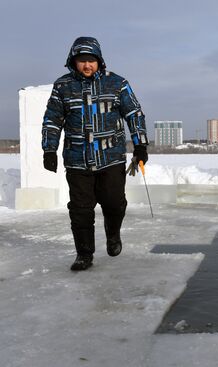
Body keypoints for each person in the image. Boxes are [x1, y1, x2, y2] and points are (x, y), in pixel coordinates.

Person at [42, 37, 149, 271]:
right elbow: (52, 120)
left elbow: (134, 114)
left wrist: (140, 145)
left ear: (99, 61)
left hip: (110, 158)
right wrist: (49, 149)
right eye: (82, 61)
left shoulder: (117, 84)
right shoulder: (63, 86)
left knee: (114, 203)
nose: (87, 65)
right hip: (77, 160)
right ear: (73, 62)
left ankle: (113, 235)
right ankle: (84, 254)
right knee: (80, 210)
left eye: (91, 60)